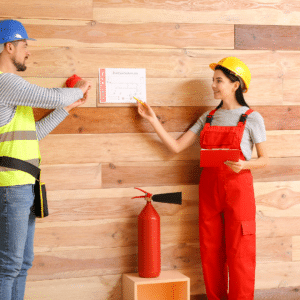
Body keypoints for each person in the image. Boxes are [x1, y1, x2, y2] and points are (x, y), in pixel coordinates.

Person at [137, 57, 269, 300]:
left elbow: (266, 159)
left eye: (219, 80)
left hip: (239, 191)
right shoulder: (208, 117)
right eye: (213, 80)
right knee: (210, 252)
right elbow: (176, 147)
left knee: (240, 252)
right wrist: (152, 119)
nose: (213, 86)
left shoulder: (252, 118)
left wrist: (245, 164)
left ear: (235, 84)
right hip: (209, 191)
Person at [0, 19, 92, 300]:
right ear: (9, 46)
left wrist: (67, 108)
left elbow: (34, 133)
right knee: (7, 266)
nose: (28, 52)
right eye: (25, 46)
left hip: (24, 186)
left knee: (22, 264)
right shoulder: (5, 82)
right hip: (11, 187)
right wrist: (81, 88)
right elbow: (46, 96)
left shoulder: (12, 90)